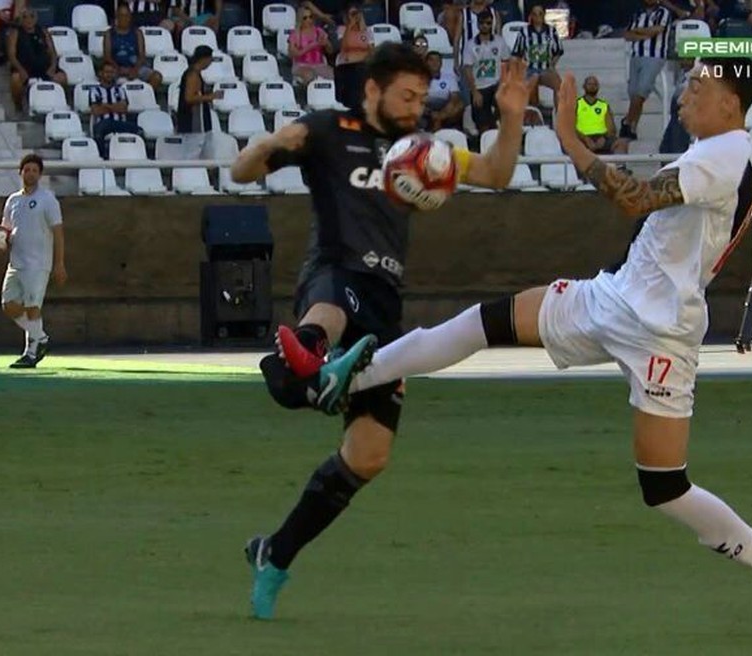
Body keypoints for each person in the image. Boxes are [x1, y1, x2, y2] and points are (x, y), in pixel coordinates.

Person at [303, 59, 752, 629]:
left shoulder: (719, 158)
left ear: (730, 105)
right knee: (482, 324)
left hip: (662, 333)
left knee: (665, 487)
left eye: (697, 88)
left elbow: (635, 198)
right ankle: (343, 376)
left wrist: (568, 138)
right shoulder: (742, 158)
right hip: (611, 299)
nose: (685, 95)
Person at [229, 42, 535, 620]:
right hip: (333, 272)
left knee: (368, 456)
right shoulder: (326, 129)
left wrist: (512, 113)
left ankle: (276, 551)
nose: (417, 106)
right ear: (372, 90)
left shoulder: (426, 152)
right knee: (331, 312)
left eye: (423, 96)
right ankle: (309, 358)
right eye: (407, 95)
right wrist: (269, 145)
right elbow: (242, 170)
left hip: (385, 306)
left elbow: (495, 173)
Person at [0, 154, 67, 369]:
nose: (30, 173)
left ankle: (31, 353)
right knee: (8, 305)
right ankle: (41, 338)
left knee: (32, 307)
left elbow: (58, 232)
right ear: (20, 172)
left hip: (38, 263)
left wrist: (59, 264)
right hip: (16, 262)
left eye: (34, 170)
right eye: (27, 169)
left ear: (39, 174)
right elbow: (7, 230)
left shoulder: (47, 199)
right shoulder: (13, 200)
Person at [621, 0, 672, 140]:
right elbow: (627, 34)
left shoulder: (664, 12)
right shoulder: (638, 14)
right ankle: (632, 127)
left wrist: (638, 31)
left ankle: (626, 122)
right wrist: (645, 34)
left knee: (641, 90)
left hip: (655, 56)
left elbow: (658, 30)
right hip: (636, 55)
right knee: (634, 93)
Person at [8, 8, 67, 113]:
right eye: (25, 17)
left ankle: (60, 106)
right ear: (21, 19)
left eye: (32, 16)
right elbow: (12, 56)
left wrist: (53, 67)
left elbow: (53, 52)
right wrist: (21, 70)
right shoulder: (15, 33)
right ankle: (19, 107)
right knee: (15, 79)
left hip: (44, 67)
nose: (29, 20)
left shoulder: (43, 31)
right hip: (25, 68)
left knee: (62, 77)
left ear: (36, 18)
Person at [462, 8, 510, 133]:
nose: (485, 26)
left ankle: (498, 125)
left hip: (496, 85)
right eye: (482, 23)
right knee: (482, 125)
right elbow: (467, 69)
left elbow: (506, 63)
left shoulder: (499, 41)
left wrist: (503, 84)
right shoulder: (470, 45)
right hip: (479, 87)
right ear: (478, 24)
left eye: (488, 23)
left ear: (492, 24)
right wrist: (474, 92)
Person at [511, 4, 564, 110]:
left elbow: (558, 51)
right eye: (535, 14)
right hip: (529, 69)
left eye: (540, 14)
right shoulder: (524, 32)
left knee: (560, 86)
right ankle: (531, 114)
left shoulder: (551, 31)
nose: (537, 17)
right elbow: (516, 54)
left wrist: (552, 65)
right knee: (531, 84)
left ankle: (560, 116)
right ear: (531, 16)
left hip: (546, 69)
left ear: (544, 15)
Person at [90, 61, 144, 158]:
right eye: (107, 72)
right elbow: (96, 111)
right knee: (100, 130)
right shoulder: (94, 91)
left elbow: (123, 109)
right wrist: (115, 107)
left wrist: (105, 106)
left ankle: (138, 157)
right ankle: (102, 157)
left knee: (140, 130)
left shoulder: (120, 90)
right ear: (101, 73)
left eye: (111, 72)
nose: (109, 75)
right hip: (103, 123)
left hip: (120, 124)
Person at [105, 2, 165, 89]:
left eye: (126, 15)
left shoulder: (137, 33)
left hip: (136, 67)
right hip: (115, 68)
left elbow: (142, 56)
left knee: (157, 77)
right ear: (117, 17)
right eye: (121, 15)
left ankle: (145, 98)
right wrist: (118, 69)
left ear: (130, 17)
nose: (124, 18)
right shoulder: (109, 34)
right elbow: (107, 56)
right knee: (106, 75)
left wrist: (134, 70)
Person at [177, 46, 218, 159]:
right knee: (192, 155)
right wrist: (211, 97)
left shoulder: (195, 73)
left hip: (201, 122)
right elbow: (189, 98)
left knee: (207, 155)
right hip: (194, 122)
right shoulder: (192, 75)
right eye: (210, 59)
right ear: (204, 59)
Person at [575, 75, 628, 155]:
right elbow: (570, 127)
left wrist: (604, 138)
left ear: (598, 87)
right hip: (582, 138)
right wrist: (585, 139)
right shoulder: (576, 104)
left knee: (622, 143)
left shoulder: (604, 105)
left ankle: (620, 167)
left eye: (595, 84)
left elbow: (612, 128)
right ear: (584, 86)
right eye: (589, 84)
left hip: (601, 137)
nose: (592, 86)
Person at [288, 5, 334, 86]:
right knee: (309, 75)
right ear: (300, 20)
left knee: (333, 75)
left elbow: (330, 51)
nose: (309, 20)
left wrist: (326, 44)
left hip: (319, 64)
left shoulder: (319, 31)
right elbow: (293, 54)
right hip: (301, 65)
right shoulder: (295, 34)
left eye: (311, 17)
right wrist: (313, 45)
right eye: (305, 18)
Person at [424, 50, 465, 130]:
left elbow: (454, 97)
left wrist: (441, 114)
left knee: (460, 104)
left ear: (441, 63)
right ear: (426, 63)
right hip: (427, 105)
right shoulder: (420, 78)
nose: (434, 63)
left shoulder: (449, 77)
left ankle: (438, 121)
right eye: (431, 60)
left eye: (437, 60)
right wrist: (430, 112)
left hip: (445, 106)